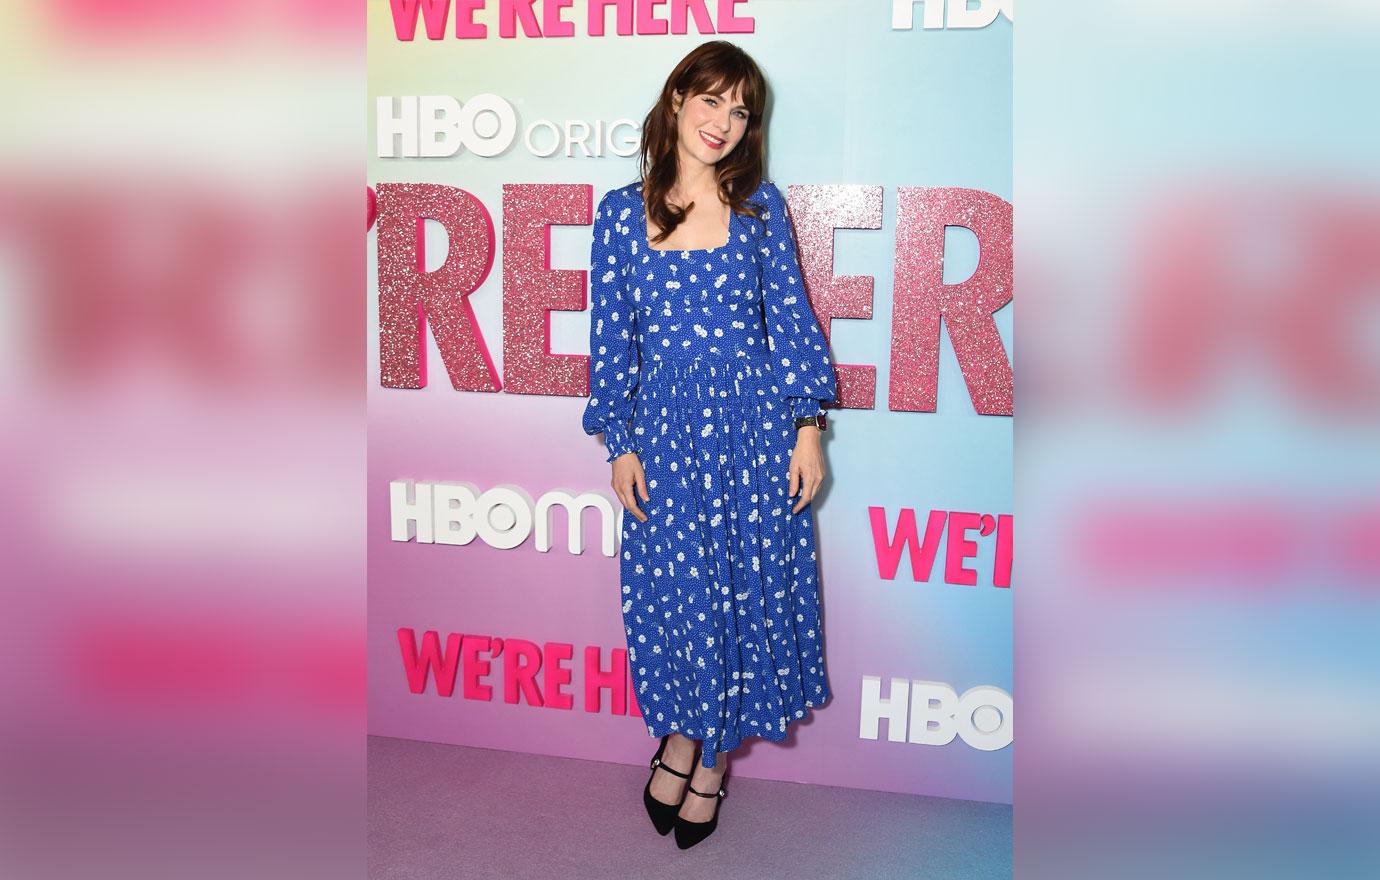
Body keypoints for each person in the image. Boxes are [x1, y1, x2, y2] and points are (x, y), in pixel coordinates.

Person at [581, 40, 838, 850]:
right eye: (712, 100)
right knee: (678, 599)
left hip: (755, 434)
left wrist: (808, 431)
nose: (725, 122)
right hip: (663, 436)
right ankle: (680, 738)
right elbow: (611, 340)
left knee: (741, 597)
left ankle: (711, 759)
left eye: (742, 111)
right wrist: (619, 441)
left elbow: (792, 324)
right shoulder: (620, 214)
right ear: (676, 101)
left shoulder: (761, 209)